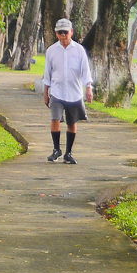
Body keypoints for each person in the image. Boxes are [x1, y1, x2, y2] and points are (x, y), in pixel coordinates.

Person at [42, 18, 94, 164]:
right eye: (60, 33)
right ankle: (56, 149)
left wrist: (88, 87)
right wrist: (46, 92)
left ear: (71, 32)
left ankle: (68, 153)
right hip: (57, 92)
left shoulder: (79, 50)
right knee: (55, 119)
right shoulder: (51, 51)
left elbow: (85, 71)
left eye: (65, 32)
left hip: (74, 92)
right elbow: (47, 74)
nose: (63, 35)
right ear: (56, 34)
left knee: (72, 122)